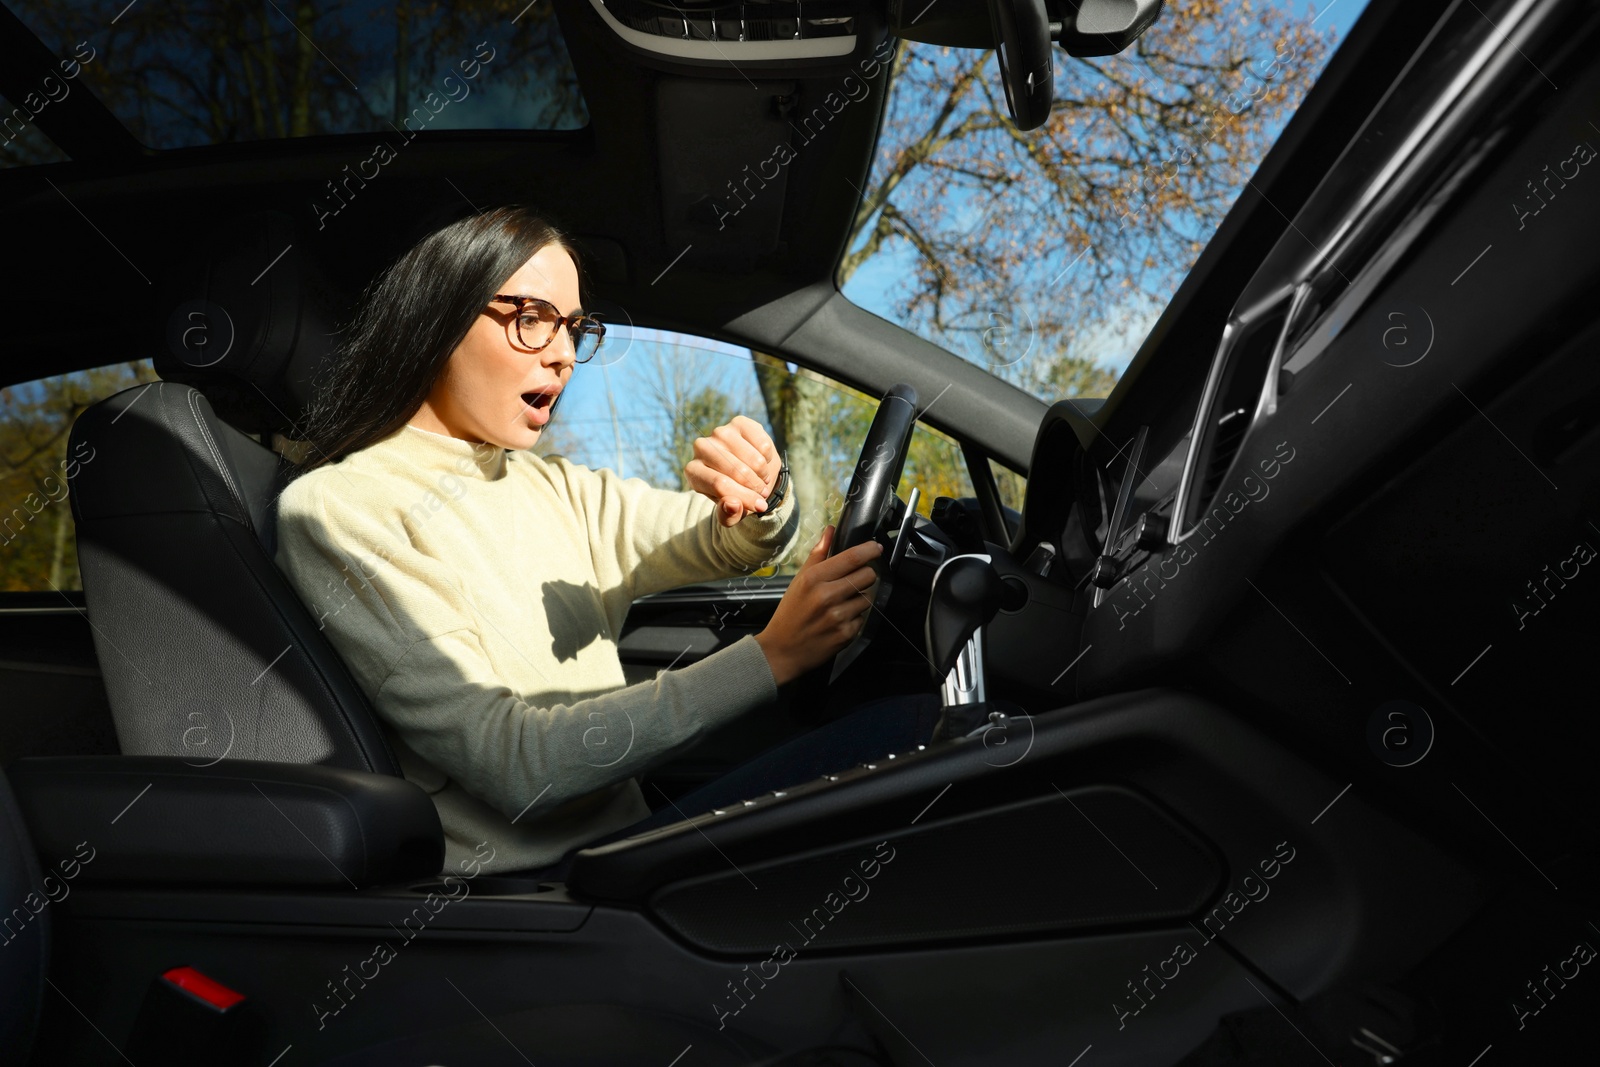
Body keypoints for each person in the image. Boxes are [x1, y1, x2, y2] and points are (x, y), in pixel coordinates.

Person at [274, 205, 939, 877]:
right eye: (531, 319)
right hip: (538, 889)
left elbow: (728, 539)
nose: (563, 354)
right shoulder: (339, 512)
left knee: (918, 744)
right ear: (438, 321)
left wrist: (760, 492)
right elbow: (516, 763)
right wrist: (773, 656)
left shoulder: (554, 486)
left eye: (573, 327)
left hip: (628, 841)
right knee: (915, 736)